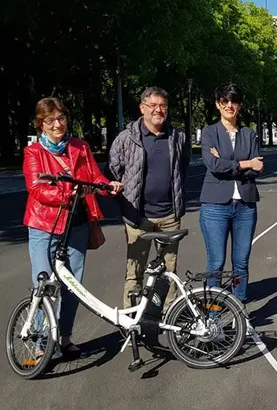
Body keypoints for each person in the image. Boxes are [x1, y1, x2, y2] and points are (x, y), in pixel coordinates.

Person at [23, 98, 122, 356]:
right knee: (44, 284)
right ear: (40, 124)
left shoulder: (80, 146)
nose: (57, 124)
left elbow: (93, 176)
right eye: (50, 120)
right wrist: (69, 194)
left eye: (61, 118)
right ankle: (41, 344)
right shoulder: (34, 153)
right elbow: (36, 188)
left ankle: (64, 337)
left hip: (76, 225)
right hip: (44, 225)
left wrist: (107, 185)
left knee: (72, 285)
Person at [106, 86, 189, 311]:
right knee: (135, 272)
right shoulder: (126, 138)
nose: (158, 110)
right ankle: (131, 316)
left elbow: (183, 168)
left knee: (169, 271)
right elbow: (112, 173)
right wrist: (126, 203)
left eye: (162, 106)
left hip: (169, 216)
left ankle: (170, 314)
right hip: (138, 217)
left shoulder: (178, 137)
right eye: (152, 105)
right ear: (142, 108)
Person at [199, 84, 264, 304]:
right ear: (218, 104)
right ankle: (212, 312)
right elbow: (213, 165)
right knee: (216, 263)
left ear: (240, 106)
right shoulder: (209, 132)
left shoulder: (249, 134)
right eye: (224, 101)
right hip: (215, 206)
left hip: (245, 205)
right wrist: (246, 163)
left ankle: (239, 308)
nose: (229, 105)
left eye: (234, 101)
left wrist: (228, 164)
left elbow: (257, 169)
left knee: (241, 263)